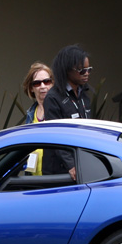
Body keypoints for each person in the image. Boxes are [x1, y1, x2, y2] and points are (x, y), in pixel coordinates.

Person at [42, 44, 93, 179]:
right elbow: (55, 135)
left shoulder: (84, 95)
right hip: (59, 172)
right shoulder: (53, 98)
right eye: (81, 70)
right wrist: (71, 165)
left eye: (88, 69)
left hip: (81, 163)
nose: (86, 73)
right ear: (67, 70)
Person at [21, 62, 53, 175]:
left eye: (47, 81)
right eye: (37, 83)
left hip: (54, 178)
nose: (43, 86)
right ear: (31, 88)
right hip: (33, 180)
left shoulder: (59, 113)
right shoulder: (31, 114)